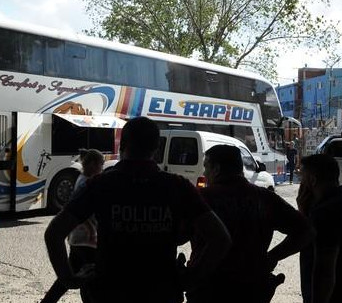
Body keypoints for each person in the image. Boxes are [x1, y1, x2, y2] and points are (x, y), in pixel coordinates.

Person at [45, 116, 231, 303]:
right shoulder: (178, 186)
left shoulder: (101, 185)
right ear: (156, 148)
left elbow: (54, 233)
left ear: (122, 145)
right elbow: (220, 238)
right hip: (161, 292)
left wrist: (68, 279)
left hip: (110, 292)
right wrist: (192, 279)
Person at [186, 144, 313, 303]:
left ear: (216, 169)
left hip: (209, 288)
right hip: (253, 287)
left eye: (206, 167)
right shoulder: (265, 198)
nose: (204, 173)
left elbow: (178, 235)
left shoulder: (202, 199)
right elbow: (305, 230)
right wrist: (271, 257)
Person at [297, 154, 342, 303]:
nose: (300, 184)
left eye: (302, 178)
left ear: (312, 180)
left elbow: (325, 270)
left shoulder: (326, 213)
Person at [42, 149, 104, 303]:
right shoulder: (85, 184)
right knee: (89, 278)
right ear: (92, 164)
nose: (101, 169)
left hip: (78, 238)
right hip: (86, 240)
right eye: (100, 165)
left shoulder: (81, 179)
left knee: (70, 276)